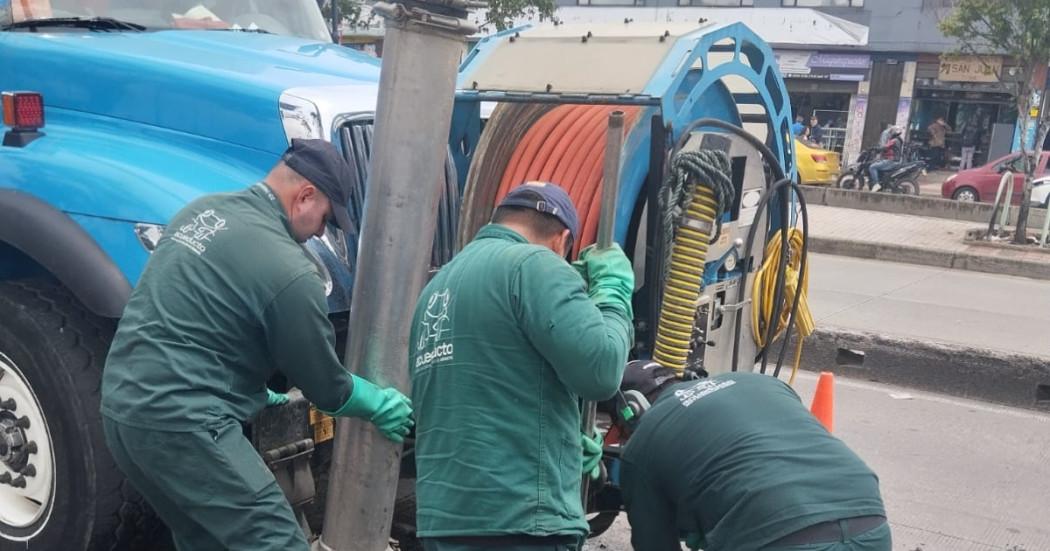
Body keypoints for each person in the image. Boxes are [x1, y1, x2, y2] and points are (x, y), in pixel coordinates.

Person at [101, 139, 414, 550]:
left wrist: (247, 387)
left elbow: (182, 314)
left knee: (206, 539)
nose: (321, 232)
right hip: (187, 424)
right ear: (305, 196)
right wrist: (377, 403)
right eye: (325, 219)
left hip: (122, 414)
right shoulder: (290, 270)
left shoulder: (201, 212)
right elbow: (327, 388)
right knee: (275, 541)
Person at [410, 182, 635, 551]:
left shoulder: (437, 288)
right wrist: (612, 293)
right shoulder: (535, 264)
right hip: (520, 523)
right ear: (561, 241)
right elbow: (602, 370)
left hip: (444, 522)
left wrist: (560, 443)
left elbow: (482, 391)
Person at [618, 361, 890, 551]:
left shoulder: (643, 442)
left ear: (631, 407)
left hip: (777, 534)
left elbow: (654, 545)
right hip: (869, 518)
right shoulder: (763, 383)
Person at [868, 126, 903, 191]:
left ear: (895, 132)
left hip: (891, 161)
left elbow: (885, 147)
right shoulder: (898, 140)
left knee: (872, 167)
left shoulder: (894, 140)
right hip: (894, 160)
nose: (890, 133)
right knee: (877, 162)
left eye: (892, 131)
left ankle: (876, 184)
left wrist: (875, 148)